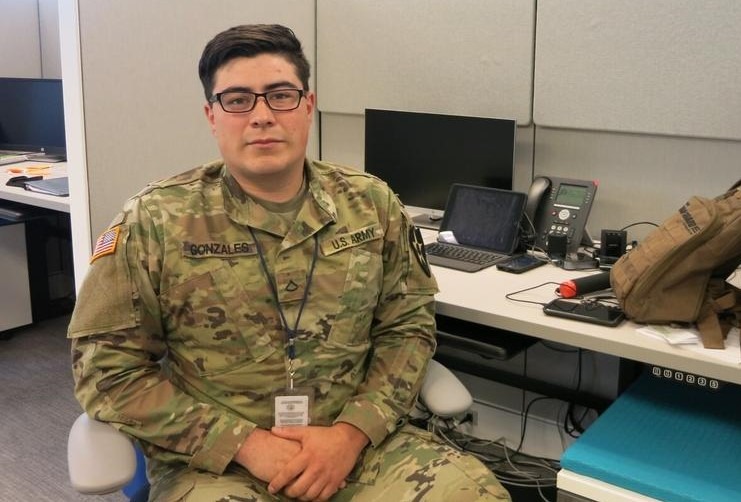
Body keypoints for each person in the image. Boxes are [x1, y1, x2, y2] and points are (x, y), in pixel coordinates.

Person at [69, 24, 510, 501]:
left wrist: (350, 434)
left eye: (280, 96)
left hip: (362, 452)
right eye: (237, 100)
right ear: (211, 115)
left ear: (307, 105)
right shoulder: (154, 220)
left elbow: (408, 330)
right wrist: (246, 445)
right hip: (220, 464)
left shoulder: (373, 205)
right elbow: (107, 373)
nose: (261, 116)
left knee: (475, 494)